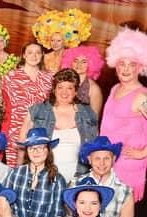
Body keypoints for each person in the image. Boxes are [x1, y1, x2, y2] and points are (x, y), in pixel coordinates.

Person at [20, 68, 98, 182]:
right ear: (54, 89)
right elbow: (22, 142)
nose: (64, 92)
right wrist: (22, 173)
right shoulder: (38, 110)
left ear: (76, 91)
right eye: (60, 87)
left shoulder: (87, 113)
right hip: (45, 177)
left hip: (79, 178)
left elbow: (96, 147)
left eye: (69, 88)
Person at [100, 28, 147, 202]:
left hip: (128, 165)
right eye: (122, 63)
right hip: (108, 161)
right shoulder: (115, 89)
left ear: (140, 67)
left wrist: (143, 153)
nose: (126, 69)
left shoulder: (141, 96)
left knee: (122, 216)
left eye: (132, 64)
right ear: (115, 64)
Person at [77, 136, 134, 217]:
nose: (102, 163)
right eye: (97, 158)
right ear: (89, 159)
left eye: (106, 158)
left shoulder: (125, 191)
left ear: (114, 159)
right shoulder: (75, 184)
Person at [2, 42, 53, 166]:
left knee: (39, 166)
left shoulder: (49, 77)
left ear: (42, 55)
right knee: (15, 168)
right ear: (24, 55)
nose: (34, 56)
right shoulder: (11, 76)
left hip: (40, 129)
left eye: (37, 53)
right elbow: (3, 104)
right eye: (30, 52)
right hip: (15, 128)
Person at [60, 46, 104, 117]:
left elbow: (94, 119)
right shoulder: (64, 82)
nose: (79, 64)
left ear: (91, 64)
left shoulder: (94, 88)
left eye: (84, 61)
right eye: (75, 61)